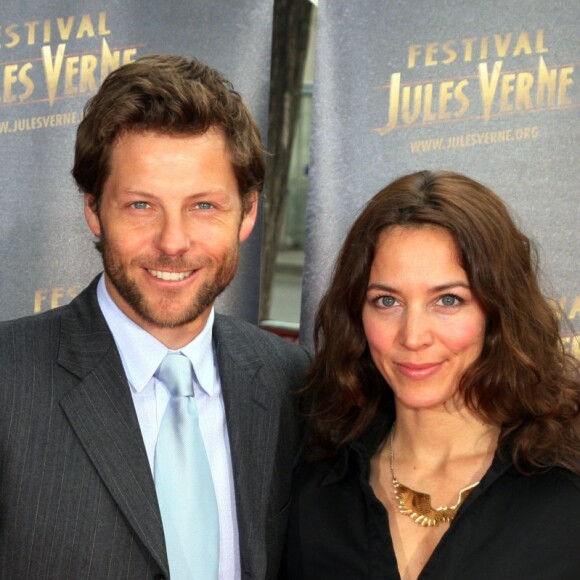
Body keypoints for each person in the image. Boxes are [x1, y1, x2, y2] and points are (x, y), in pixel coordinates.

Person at [0, 54, 310, 580]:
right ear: (94, 209)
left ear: (249, 212)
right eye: (141, 205)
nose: (173, 242)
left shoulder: (293, 384)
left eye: (204, 206)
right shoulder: (9, 379)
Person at [283, 170, 580, 579]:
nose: (413, 336)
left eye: (448, 300)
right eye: (386, 300)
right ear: (356, 313)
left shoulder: (565, 485)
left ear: (498, 311)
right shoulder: (309, 476)